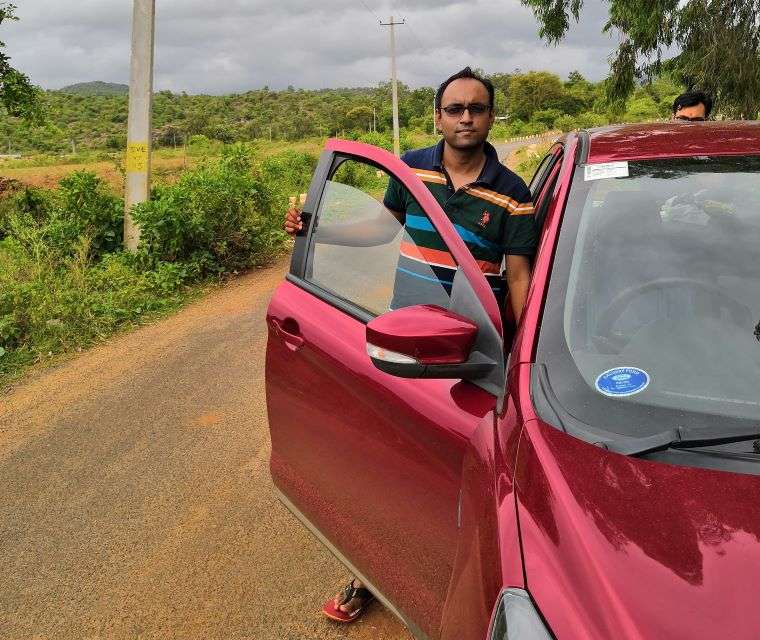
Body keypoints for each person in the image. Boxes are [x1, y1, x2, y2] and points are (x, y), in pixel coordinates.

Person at [284, 66, 538, 623]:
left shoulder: (513, 194)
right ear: (438, 116)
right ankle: (368, 570)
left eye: (476, 108)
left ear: (491, 117)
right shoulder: (411, 170)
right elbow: (382, 228)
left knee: (461, 458)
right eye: (455, 109)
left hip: (477, 348)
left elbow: (517, 277)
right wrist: (316, 228)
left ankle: (459, 564)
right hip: (409, 338)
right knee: (391, 452)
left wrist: (517, 355)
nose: (465, 117)